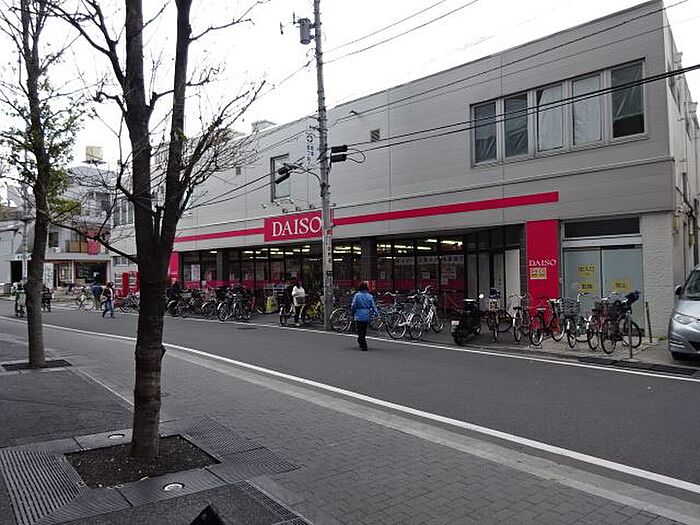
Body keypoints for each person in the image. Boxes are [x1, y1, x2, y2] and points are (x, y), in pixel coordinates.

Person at [351, 281, 378, 351]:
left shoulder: (357, 295)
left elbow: (353, 305)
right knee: (364, 329)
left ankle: (362, 343)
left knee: (359, 330)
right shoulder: (370, 296)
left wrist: (352, 313)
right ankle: (361, 341)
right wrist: (376, 313)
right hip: (367, 314)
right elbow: (373, 306)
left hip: (358, 314)